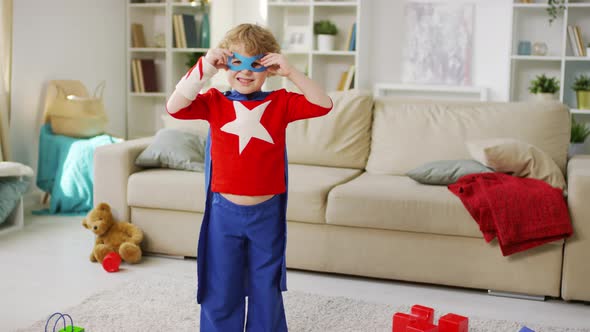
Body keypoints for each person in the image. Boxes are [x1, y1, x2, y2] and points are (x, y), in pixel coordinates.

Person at [166, 23, 333, 331]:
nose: (245, 72)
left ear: (268, 67)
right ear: (226, 65)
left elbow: (323, 104)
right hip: (223, 212)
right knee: (221, 283)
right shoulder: (215, 101)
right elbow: (175, 107)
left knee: (265, 286)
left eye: (256, 63)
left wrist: (291, 72)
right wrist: (203, 68)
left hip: (265, 213)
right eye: (237, 62)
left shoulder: (281, 102)